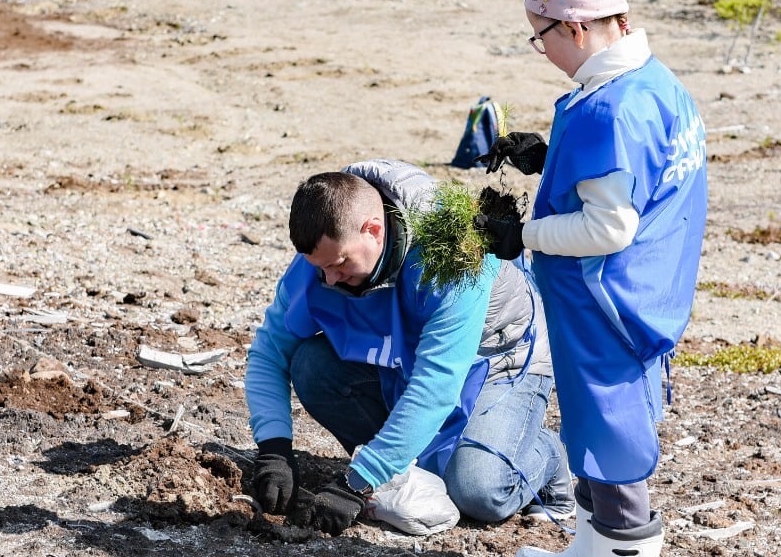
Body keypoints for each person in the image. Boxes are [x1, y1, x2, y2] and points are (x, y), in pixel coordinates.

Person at [477, 0, 708, 557]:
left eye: (539, 35)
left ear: (575, 28)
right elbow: (626, 177)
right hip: (643, 290)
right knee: (589, 423)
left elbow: (610, 224)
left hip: (612, 302)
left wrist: (527, 233)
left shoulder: (613, 108)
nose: (541, 50)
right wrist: (550, 157)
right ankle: (590, 555)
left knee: (611, 431)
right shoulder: (650, 82)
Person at [244, 159, 573, 536]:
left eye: (339, 264)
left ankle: (543, 452)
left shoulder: (455, 257)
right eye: (321, 268)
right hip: (411, 355)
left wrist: (360, 481)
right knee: (310, 366)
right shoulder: (326, 251)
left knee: (477, 491)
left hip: (501, 359)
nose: (329, 279)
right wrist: (273, 448)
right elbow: (270, 353)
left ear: (373, 230)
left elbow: (435, 385)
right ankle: (409, 458)